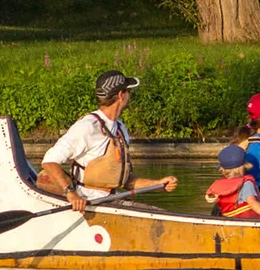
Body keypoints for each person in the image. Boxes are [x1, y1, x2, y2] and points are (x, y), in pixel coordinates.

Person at [37, 69, 178, 212]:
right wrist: (71, 194)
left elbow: (126, 181)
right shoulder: (87, 127)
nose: (130, 96)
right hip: (88, 201)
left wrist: (158, 183)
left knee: (159, 213)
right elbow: (49, 162)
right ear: (121, 95)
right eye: (128, 91)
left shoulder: (120, 128)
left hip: (112, 199)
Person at [206, 144, 260, 220]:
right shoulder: (246, 183)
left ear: (222, 168)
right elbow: (252, 203)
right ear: (246, 165)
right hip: (246, 220)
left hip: (227, 218)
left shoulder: (221, 184)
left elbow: (212, 198)